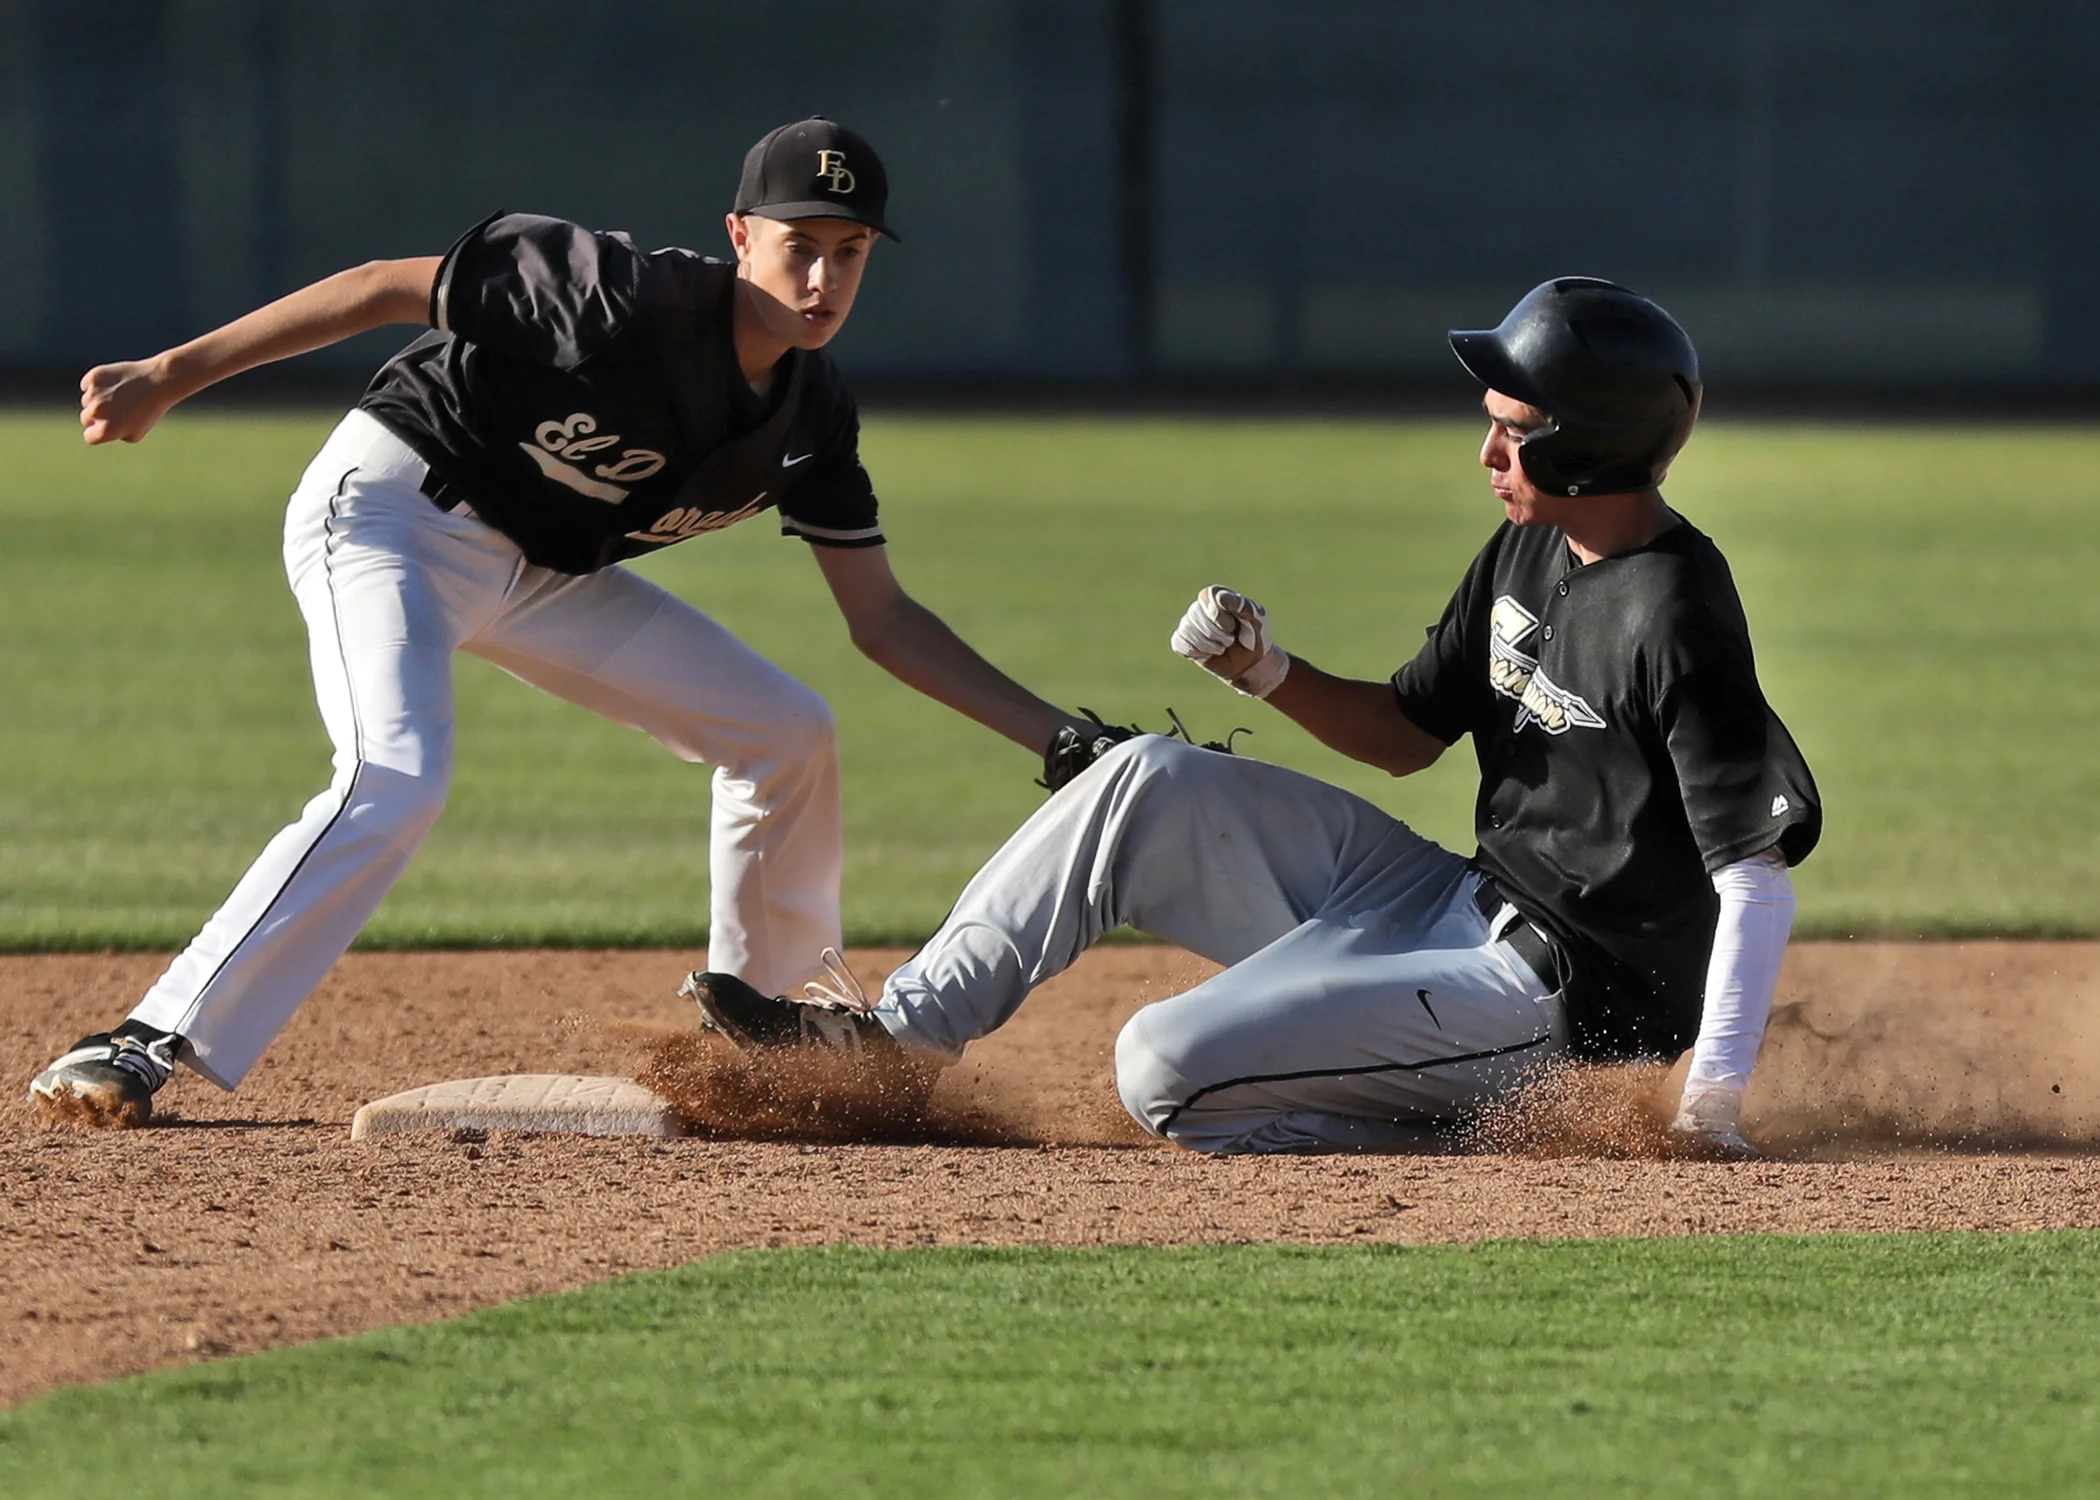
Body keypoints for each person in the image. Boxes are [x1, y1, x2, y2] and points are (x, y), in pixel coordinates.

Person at [31, 117, 1106, 1128]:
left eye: (851, 251)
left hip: (543, 572)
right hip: (395, 512)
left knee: (787, 733)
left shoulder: (811, 414)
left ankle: (772, 1051)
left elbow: (883, 618)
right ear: (741, 236)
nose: (824, 279)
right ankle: (146, 1037)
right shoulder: (618, 294)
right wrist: (168, 376)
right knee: (396, 775)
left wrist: (1063, 739)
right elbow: (381, 287)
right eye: (801, 246)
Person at [684, 277, 1822, 1159]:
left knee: (1161, 1066)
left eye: (1513, 428)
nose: (1487, 450)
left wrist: (1710, 1101)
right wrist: (1268, 672)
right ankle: (892, 1044)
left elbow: (1754, 874)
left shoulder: (1677, 610)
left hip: (1557, 1000)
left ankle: (1498, 1133)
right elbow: (1405, 735)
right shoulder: (1529, 545)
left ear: (1588, 443)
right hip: (1444, 903)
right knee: (1140, 777)